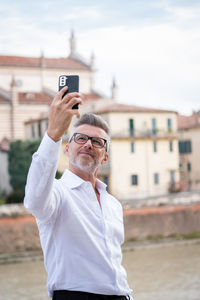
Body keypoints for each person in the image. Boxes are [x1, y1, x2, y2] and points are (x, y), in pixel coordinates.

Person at [24, 86, 133, 300]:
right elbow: (34, 201)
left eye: (97, 142)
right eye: (80, 138)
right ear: (67, 148)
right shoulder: (56, 194)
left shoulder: (113, 204)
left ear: (105, 157)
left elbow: (113, 263)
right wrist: (54, 133)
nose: (88, 145)